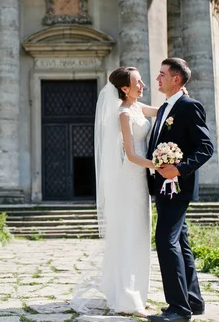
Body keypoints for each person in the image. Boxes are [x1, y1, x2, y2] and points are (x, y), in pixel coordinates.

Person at [71, 66, 160, 317]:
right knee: (129, 235)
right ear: (124, 88)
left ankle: (137, 291)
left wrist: (180, 96)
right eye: (138, 82)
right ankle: (127, 299)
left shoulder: (138, 107)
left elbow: (163, 111)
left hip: (141, 180)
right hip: (130, 178)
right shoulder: (123, 113)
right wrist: (160, 165)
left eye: (142, 81)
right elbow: (132, 155)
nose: (143, 85)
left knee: (140, 235)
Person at [146, 58, 214, 322]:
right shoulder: (166, 108)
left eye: (162, 74)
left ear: (176, 79)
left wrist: (180, 168)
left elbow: (205, 147)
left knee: (165, 240)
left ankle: (178, 309)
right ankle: (193, 301)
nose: (157, 79)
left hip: (177, 186)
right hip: (162, 186)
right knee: (180, 242)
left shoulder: (189, 106)